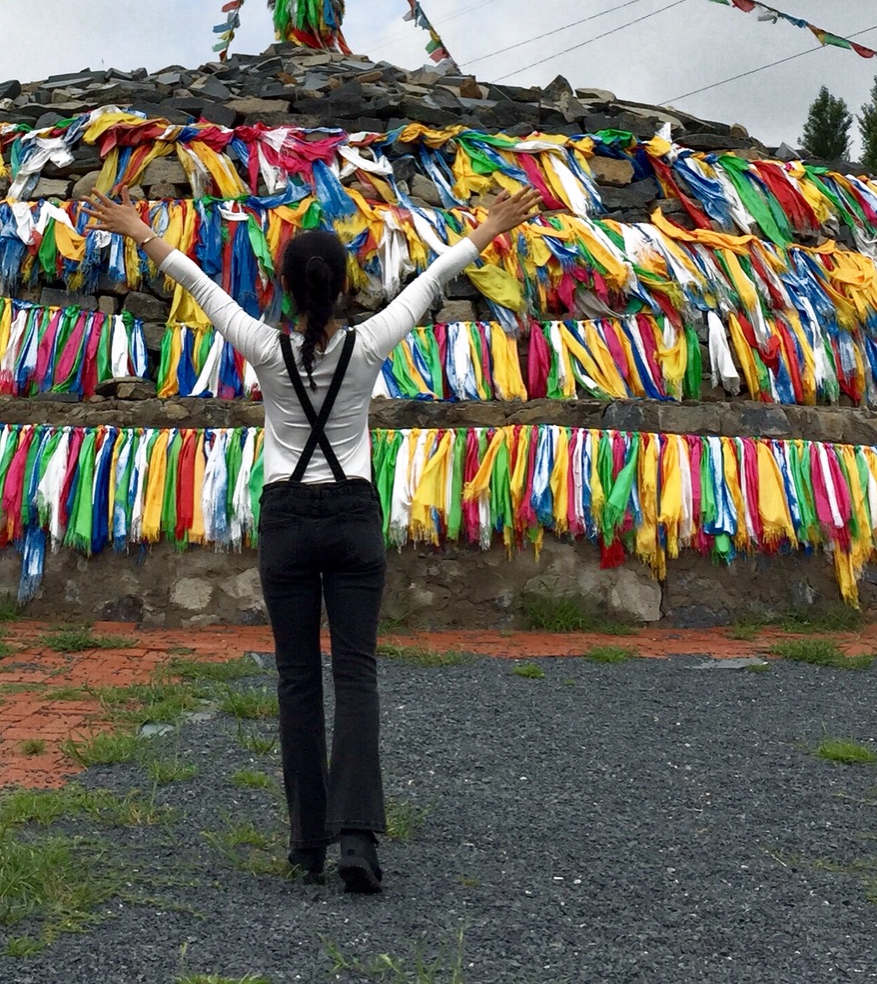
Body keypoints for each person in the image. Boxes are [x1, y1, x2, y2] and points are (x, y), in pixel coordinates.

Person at [84, 179, 541, 893]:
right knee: (355, 675)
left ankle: (305, 846)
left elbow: (195, 282)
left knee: (297, 681)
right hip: (353, 517)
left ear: (287, 287)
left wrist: (138, 228)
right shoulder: (367, 345)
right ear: (342, 285)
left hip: (287, 520)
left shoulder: (265, 348)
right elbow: (435, 278)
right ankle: (357, 841)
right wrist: (489, 226)